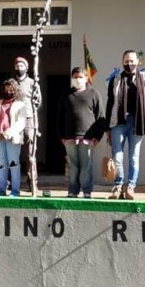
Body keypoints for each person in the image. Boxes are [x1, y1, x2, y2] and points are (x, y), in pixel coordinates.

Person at [105, 50, 145, 200]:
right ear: (122, 62)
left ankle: (131, 186)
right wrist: (107, 127)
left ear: (137, 62)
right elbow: (110, 103)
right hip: (118, 122)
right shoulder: (115, 79)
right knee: (117, 155)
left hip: (137, 122)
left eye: (132, 61)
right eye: (126, 61)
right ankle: (118, 185)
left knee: (134, 156)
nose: (129, 63)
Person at [58, 67, 106, 198]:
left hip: (88, 137)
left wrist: (98, 136)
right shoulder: (66, 94)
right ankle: (72, 190)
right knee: (73, 165)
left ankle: (86, 191)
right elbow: (60, 116)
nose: (77, 79)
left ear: (86, 78)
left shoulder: (94, 94)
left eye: (80, 77)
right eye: (75, 77)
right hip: (69, 137)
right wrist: (61, 136)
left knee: (86, 165)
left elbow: (100, 116)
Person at [0, 79, 27, 197]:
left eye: (11, 89)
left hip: (12, 137)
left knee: (14, 163)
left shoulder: (21, 105)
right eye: (6, 89)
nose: (8, 91)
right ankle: (1, 189)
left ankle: (15, 190)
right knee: (1, 163)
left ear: (16, 90)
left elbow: (21, 122)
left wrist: (8, 133)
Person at [13, 56, 40, 193]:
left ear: (27, 67)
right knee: (12, 153)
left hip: (28, 119)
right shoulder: (10, 83)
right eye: (17, 65)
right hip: (13, 121)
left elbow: (37, 101)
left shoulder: (32, 83)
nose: (19, 68)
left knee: (29, 154)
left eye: (22, 65)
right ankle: (11, 184)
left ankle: (32, 183)